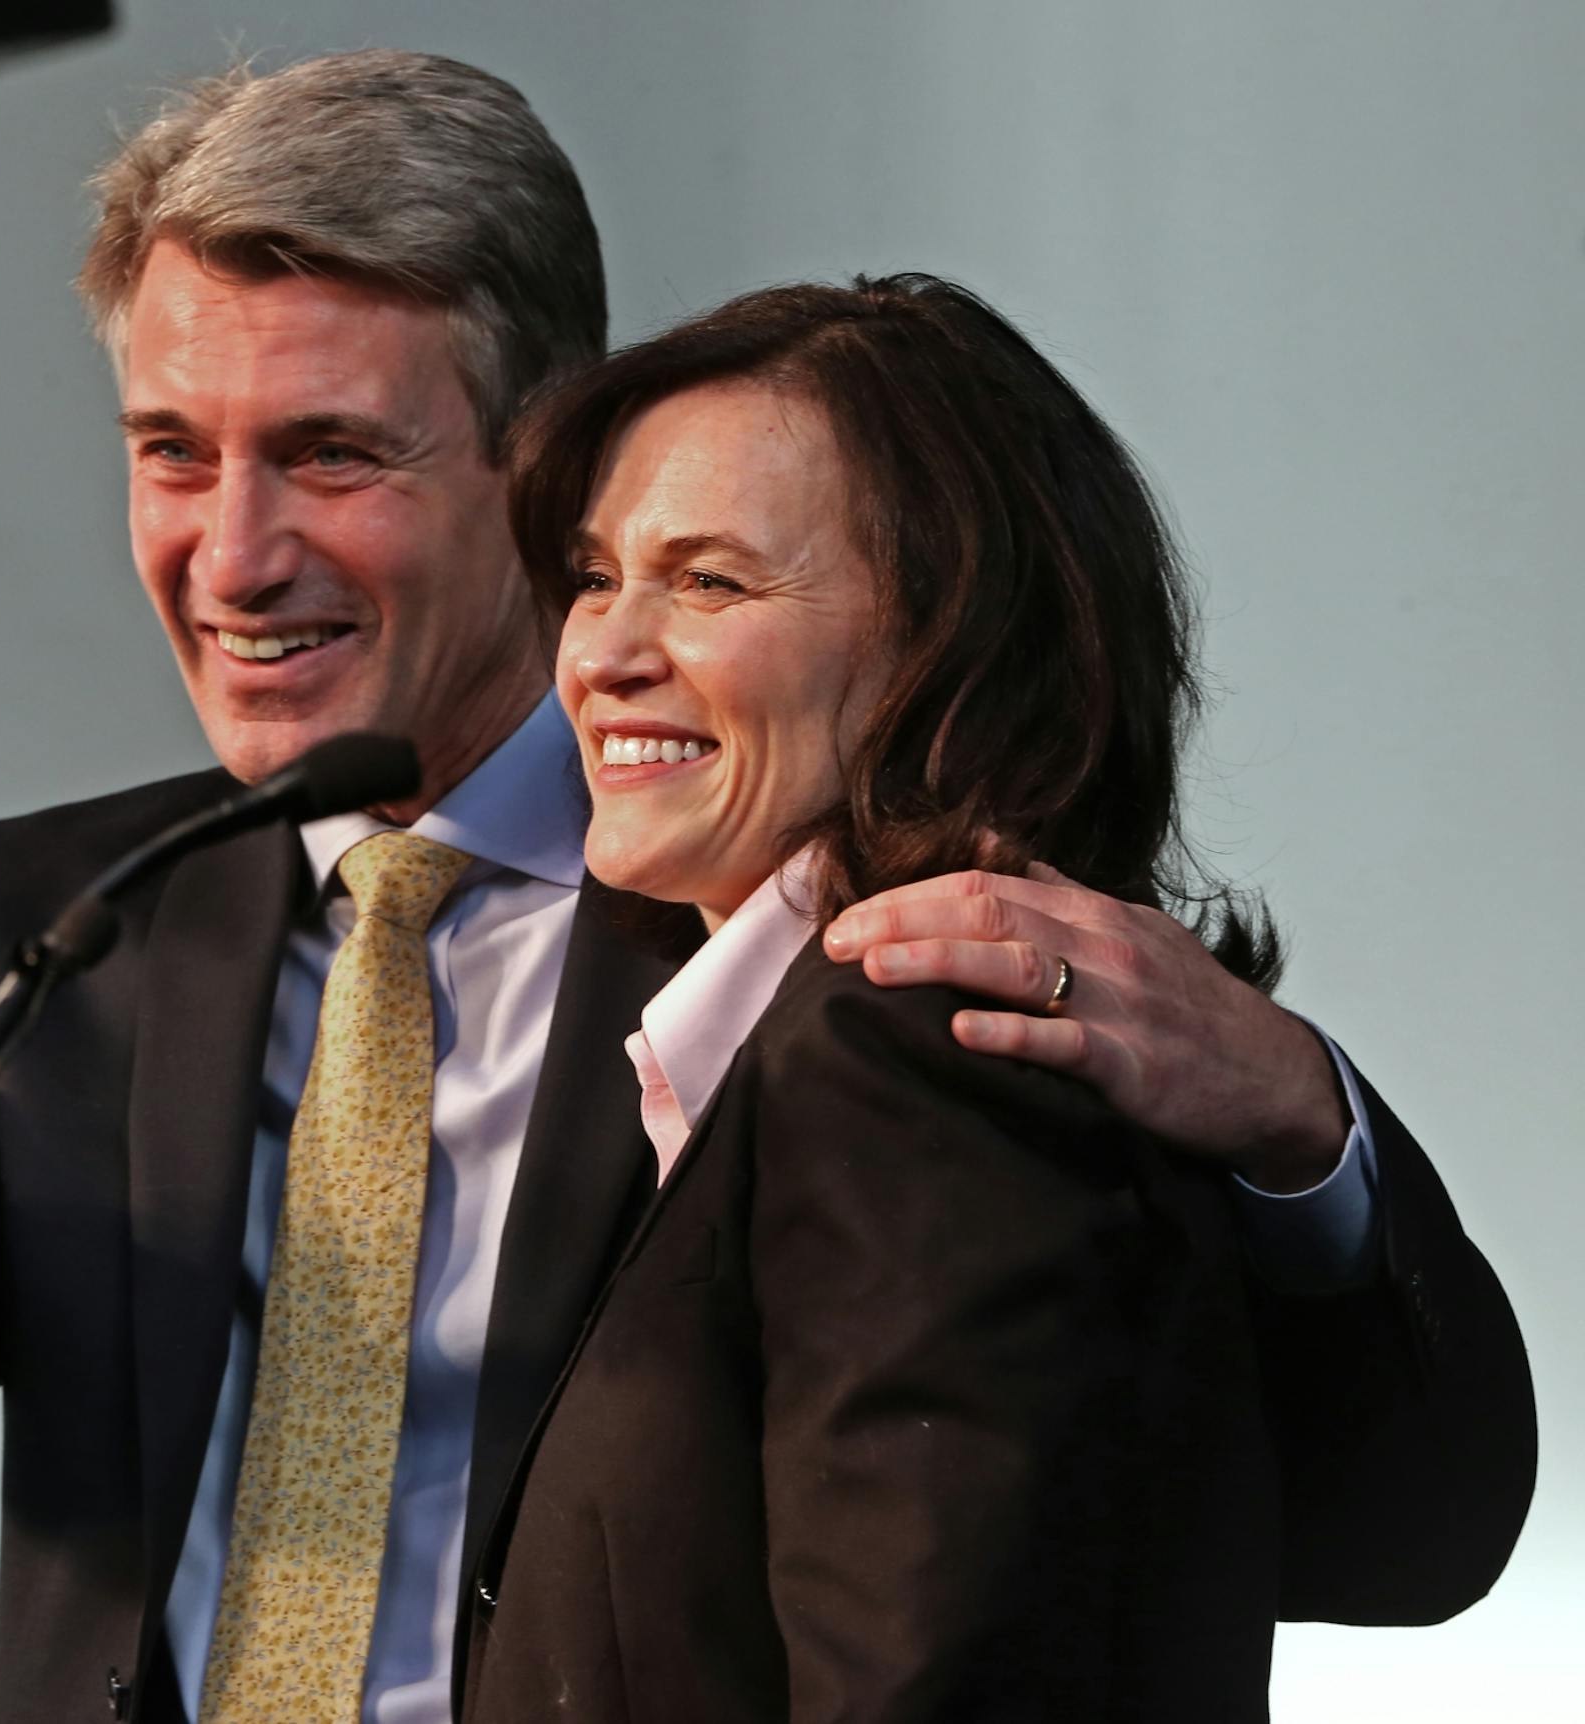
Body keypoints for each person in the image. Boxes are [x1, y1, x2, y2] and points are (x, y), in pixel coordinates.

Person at [0, 52, 1532, 1724]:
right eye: (173, 453)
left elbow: (1338, 1521)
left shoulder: (845, 957)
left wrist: (1303, 1124)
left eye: (333, 453)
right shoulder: (74, 902)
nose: (234, 553)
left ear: (543, 452)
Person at [458, 272, 1526, 1722]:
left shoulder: (913, 1045)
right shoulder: (738, 1048)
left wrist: (1303, 1123)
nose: (601, 654)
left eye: (709, 580)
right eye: (596, 576)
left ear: (946, 643)